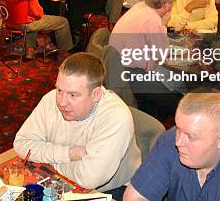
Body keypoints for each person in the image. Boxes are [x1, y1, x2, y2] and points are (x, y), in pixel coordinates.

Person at [14, 53, 141, 194]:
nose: (61, 102)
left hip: (110, 190)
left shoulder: (115, 116)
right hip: (61, 179)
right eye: (59, 90)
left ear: (96, 95)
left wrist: (49, 159)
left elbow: (89, 179)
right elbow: (21, 143)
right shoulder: (50, 99)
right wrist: (69, 154)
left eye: (73, 95)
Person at [123, 92, 220, 201]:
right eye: (178, 128)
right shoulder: (171, 140)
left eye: (190, 136)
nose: (178, 141)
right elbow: (135, 196)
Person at [109, 0, 182, 115]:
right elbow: (163, 56)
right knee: (175, 95)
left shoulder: (139, 6)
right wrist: (163, 25)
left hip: (113, 66)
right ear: (167, 5)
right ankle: (151, 117)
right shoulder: (153, 21)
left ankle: (145, 107)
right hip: (130, 74)